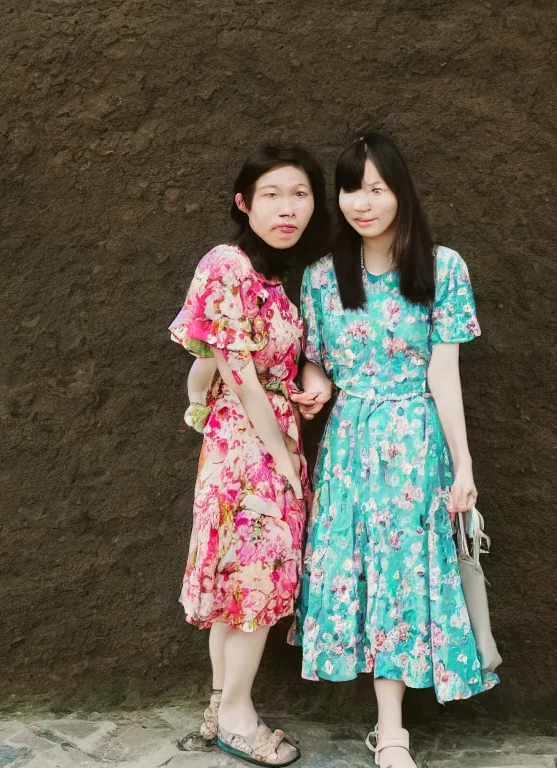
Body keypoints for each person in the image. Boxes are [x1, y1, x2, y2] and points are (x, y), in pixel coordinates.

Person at [290, 133, 499, 768]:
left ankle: (393, 732)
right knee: (362, 575)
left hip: (414, 446)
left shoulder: (443, 267)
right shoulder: (323, 276)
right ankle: (388, 727)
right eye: (352, 188)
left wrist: (463, 465)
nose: (363, 201)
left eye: (377, 188)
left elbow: (444, 374)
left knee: (405, 578)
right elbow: (313, 361)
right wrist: (315, 382)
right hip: (350, 446)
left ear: (400, 192)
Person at [169, 144, 329, 766]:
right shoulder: (226, 263)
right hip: (249, 452)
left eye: (300, 195)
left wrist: (307, 388)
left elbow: (218, 366)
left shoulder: (271, 281)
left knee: (242, 584)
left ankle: (220, 703)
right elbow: (231, 371)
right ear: (243, 203)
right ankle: (237, 716)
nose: (287, 208)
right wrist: (283, 459)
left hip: (259, 440)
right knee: (254, 585)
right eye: (271, 194)